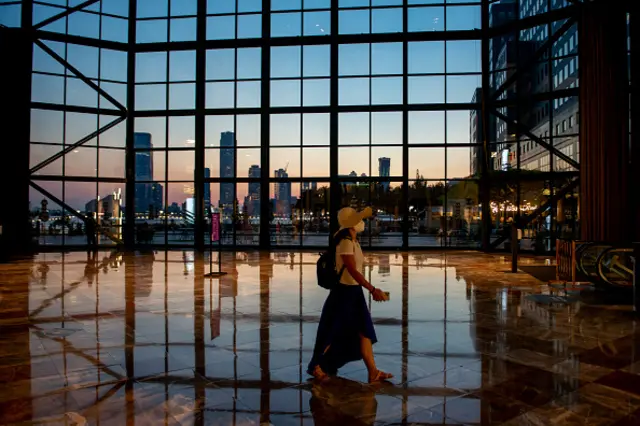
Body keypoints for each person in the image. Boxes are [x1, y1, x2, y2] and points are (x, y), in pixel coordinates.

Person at [307, 206, 393, 383]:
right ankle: (316, 366)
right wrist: (372, 289)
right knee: (331, 331)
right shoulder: (345, 241)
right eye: (358, 219)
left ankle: (373, 371)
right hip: (344, 292)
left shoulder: (352, 240)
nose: (362, 222)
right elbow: (352, 270)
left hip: (354, 292)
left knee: (364, 331)